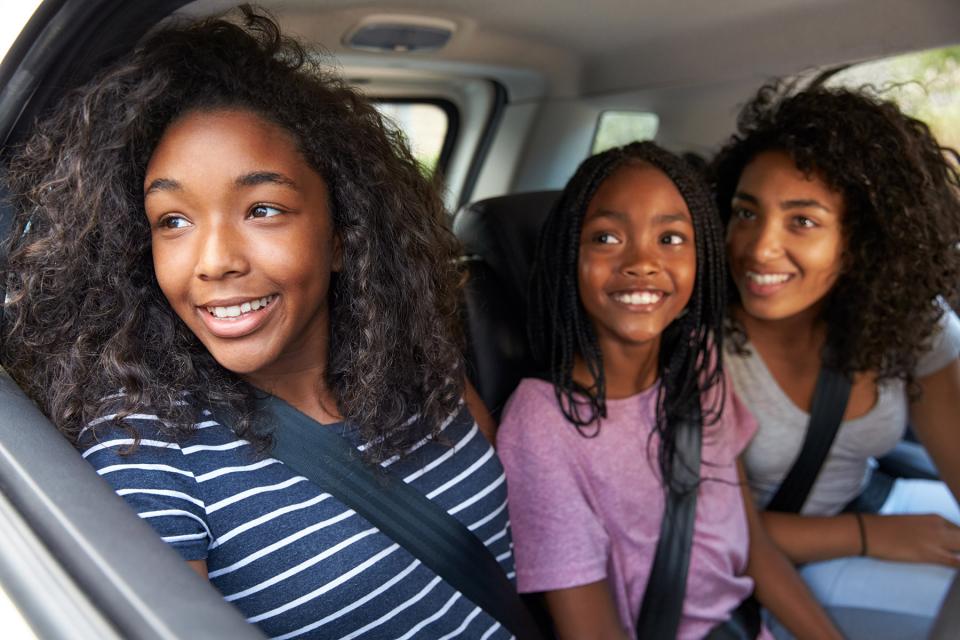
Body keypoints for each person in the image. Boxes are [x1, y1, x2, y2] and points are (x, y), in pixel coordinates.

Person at [1, 8, 511, 639]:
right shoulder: (148, 452)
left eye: (263, 208)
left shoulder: (417, 357)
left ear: (343, 237)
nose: (214, 262)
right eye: (173, 221)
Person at [496, 141, 840, 639]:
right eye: (607, 237)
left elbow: (752, 546)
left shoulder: (697, 360)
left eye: (672, 238)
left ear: (701, 257)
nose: (642, 261)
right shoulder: (542, 423)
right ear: (568, 256)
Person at [712, 82, 960, 638]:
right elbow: (712, 529)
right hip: (770, 569)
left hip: (880, 508)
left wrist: (882, 529)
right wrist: (869, 536)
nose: (758, 248)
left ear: (863, 240)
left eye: (802, 221)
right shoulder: (705, 345)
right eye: (746, 213)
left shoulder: (909, 321)